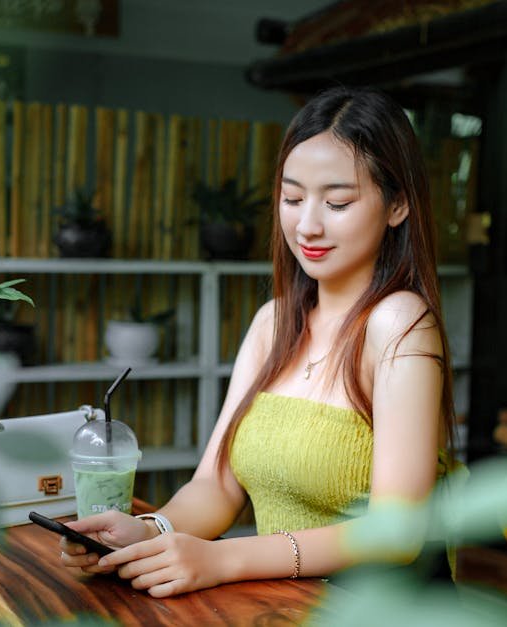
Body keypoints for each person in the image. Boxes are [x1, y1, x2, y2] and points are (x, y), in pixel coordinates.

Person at [58, 85, 458, 597]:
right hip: (285, 608)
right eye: (292, 198)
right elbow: (217, 486)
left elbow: (396, 532)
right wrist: (148, 532)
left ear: (398, 204)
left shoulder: (399, 323)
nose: (307, 224)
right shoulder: (273, 323)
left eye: (337, 202)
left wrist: (223, 558)